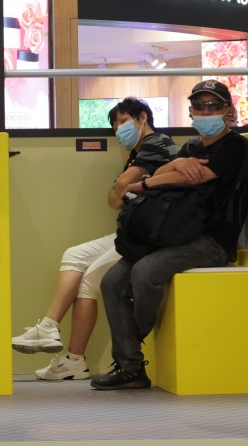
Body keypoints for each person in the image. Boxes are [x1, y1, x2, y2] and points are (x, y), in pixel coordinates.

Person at [92, 80, 248, 390]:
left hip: (212, 242)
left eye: (213, 105)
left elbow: (192, 176)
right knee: (111, 281)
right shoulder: (192, 147)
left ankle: (134, 339)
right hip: (174, 234)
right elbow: (169, 173)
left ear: (228, 111)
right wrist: (177, 165)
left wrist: (151, 182)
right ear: (191, 111)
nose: (205, 111)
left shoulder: (235, 146)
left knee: (144, 272)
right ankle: (131, 370)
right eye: (199, 106)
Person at [11, 98, 179, 380]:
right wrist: (125, 186)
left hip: (151, 236)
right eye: (114, 124)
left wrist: (126, 185)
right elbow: (113, 199)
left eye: (123, 121)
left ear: (142, 118)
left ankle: (74, 359)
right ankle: (50, 326)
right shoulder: (135, 155)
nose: (118, 129)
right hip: (130, 231)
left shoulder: (158, 143)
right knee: (74, 255)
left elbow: (122, 187)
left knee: (89, 279)